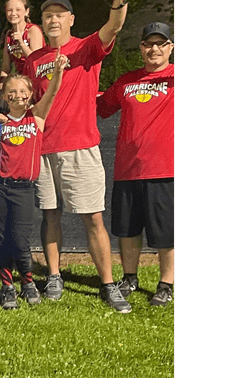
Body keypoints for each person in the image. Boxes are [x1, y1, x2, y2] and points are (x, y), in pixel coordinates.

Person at [23, 0, 132, 313]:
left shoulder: (86, 49)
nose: (53, 20)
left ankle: (108, 284)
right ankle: (54, 276)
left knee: (93, 218)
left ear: (71, 19)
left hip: (80, 148)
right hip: (42, 150)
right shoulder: (34, 60)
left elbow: (113, 27)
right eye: (48, 15)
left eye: (60, 14)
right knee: (50, 216)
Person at [97, 22, 175, 307]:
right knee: (127, 230)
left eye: (161, 44)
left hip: (165, 168)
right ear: (141, 48)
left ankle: (166, 284)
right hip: (127, 169)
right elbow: (100, 108)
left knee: (166, 233)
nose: (154, 49)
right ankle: (130, 278)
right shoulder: (126, 81)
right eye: (148, 44)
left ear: (170, 48)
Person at [0, 50, 67, 309]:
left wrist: (58, 71)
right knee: (1, 239)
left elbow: (52, 93)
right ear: (4, 96)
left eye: (23, 91)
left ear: (31, 94)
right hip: (1, 187)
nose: (18, 95)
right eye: (11, 91)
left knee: (21, 240)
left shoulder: (37, 116)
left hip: (24, 189)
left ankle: (28, 281)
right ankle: (7, 286)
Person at [0, 0, 44, 79]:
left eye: (18, 10)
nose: (13, 13)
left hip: (37, 77)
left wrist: (21, 43)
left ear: (26, 11)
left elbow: (37, 60)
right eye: (9, 10)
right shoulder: (9, 35)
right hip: (21, 79)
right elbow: (5, 67)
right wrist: (2, 83)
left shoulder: (33, 30)